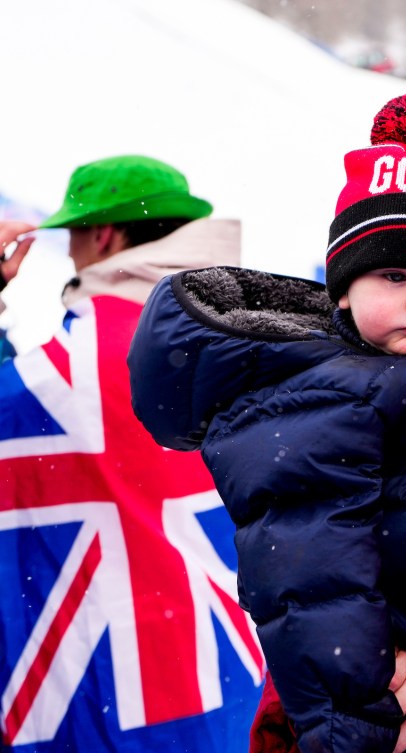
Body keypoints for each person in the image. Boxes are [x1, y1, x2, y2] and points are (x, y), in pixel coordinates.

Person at [128, 94, 406, 753]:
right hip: (378, 685)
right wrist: (353, 724)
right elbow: (309, 576)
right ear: (341, 287)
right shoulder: (316, 396)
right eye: (394, 274)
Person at [0, 156, 262, 751]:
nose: (69, 257)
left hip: (125, 698)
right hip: (237, 678)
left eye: (72, 239)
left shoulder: (94, 356)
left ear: (104, 235)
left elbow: (16, 412)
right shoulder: (239, 337)